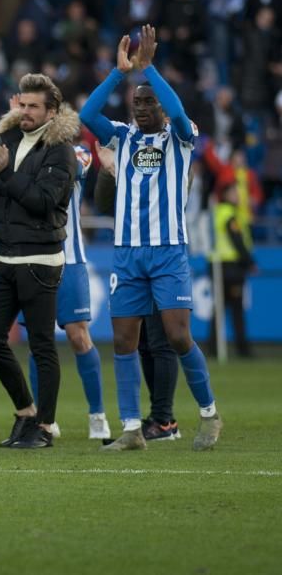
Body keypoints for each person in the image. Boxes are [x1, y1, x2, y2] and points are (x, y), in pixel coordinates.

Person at [80, 24, 223, 451]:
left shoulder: (180, 137)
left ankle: (209, 414)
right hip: (126, 254)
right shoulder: (121, 137)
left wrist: (150, 69)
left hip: (167, 252)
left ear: (160, 105)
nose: (141, 107)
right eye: (137, 101)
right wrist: (119, 74)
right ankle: (130, 430)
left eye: (149, 102)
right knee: (124, 340)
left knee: (178, 337)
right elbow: (87, 116)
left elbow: (179, 113)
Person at [0, 73, 78, 449]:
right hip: (4, 256)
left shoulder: (61, 150)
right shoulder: (8, 138)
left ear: (52, 111)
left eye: (33, 106)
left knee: (41, 345)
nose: (24, 112)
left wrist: (7, 172)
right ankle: (26, 411)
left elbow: (43, 202)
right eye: (21, 104)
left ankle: (44, 427)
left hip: (40, 259)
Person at [25, 137, 111, 441]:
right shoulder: (22, 148)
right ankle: (44, 417)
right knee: (38, 339)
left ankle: (97, 413)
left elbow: (72, 167)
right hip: (32, 258)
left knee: (79, 335)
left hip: (70, 259)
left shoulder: (78, 152)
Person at [95, 142, 182, 441]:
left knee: (161, 341)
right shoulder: (128, 154)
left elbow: (171, 198)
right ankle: (159, 418)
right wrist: (109, 171)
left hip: (161, 256)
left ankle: (164, 420)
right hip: (132, 258)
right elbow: (104, 204)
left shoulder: (175, 152)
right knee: (143, 342)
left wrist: (124, 173)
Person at [207, 181, 256, 359]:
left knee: (219, 309)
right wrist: (250, 261)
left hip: (217, 265)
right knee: (235, 310)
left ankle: (213, 348)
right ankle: (242, 349)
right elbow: (236, 239)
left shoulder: (217, 212)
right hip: (230, 267)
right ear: (226, 195)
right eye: (234, 192)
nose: (237, 195)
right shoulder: (229, 214)